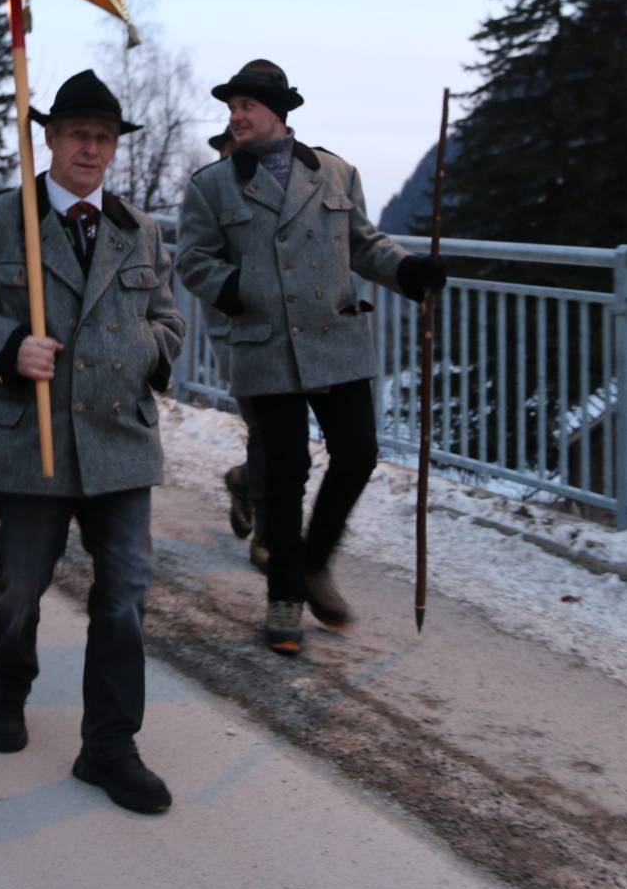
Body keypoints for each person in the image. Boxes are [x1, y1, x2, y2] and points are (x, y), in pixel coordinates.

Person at [0, 69, 183, 816]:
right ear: (48, 139)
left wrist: (137, 350)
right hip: (31, 439)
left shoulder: (137, 230)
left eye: (103, 138)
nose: (91, 148)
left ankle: (109, 744)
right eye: (77, 134)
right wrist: (12, 346)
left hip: (118, 439)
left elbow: (171, 327)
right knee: (19, 585)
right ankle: (8, 687)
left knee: (125, 597)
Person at [177, 60, 444, 656]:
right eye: (231, 107)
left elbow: (363, 244)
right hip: (263, 345)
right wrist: (240, 288)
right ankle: (286, 594)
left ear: (279, 113)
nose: (236, 116)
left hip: (335, 339)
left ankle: (317, 561)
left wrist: (408, 271)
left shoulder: (335, 173)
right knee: (284, 471)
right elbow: (193, 260)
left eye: (246, 106)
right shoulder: (211, 185)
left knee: (358, 455)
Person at [201, 128, 268, 570]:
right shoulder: (211, 194)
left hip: (286, 336)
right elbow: (200, 265)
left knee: (276, 430)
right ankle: (270, 531)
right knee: (268, 427)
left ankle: (246, 481)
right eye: (231, 147)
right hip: (236, 332)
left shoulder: (282, 188)